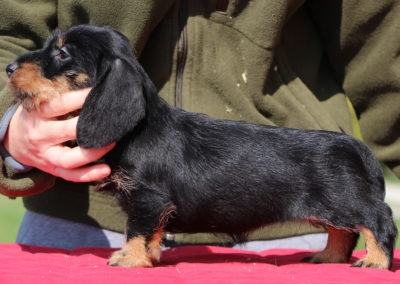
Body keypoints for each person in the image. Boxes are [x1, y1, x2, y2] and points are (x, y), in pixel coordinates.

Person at [0, 0, 399, 250]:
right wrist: (6, 125)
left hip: (285, 231)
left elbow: (385, 53)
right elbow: (8, 34)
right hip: (80, 229)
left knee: (346, 207)